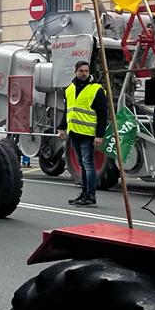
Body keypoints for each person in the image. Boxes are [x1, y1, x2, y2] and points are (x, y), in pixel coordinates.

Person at [58, 60, 107, 207]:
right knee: (82, 165)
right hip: (74, 133)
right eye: (81, 71)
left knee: (88, 165)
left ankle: (90, 196)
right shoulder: (70, 89)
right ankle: (84, 193)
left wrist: (99, 135)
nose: (84, 73)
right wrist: (61, 127)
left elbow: (103, 115)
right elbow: (68, 111)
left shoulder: (96, 89)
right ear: (76, 72)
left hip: (88, 134)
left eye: (86, 71)